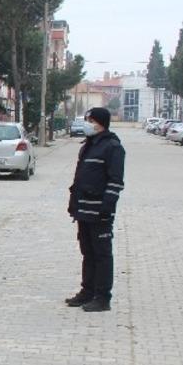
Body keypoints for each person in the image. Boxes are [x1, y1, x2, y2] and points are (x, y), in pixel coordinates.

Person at [66, 107, 125, 312]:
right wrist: (74, 205)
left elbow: (116, 182)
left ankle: (102, 297)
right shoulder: (88, 146)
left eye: (90, 120)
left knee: (102, 254)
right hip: (83, 211)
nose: (87, 123)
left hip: (99, 211)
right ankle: (87, 292)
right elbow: (80, 178)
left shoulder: (112, 147)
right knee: (87, 253)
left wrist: (106, 208)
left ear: (100, 122)